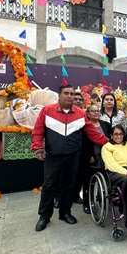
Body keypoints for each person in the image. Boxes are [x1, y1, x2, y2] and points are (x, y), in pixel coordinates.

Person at [31, 85, 108, 232]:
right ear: (59, 95)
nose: (69, 96)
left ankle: (65, 212)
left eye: (72, 94)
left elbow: (92, 133)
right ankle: (44, 216)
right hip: (53, 156)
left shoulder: (80, 113)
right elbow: (38, 130)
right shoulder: (47, 111)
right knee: (48, 186)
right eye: (66, 93)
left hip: (73, 157)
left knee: (70, 185)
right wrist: (38, 147)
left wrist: (109, 142)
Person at [77, 104, 111, 214]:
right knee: (88, 182)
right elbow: (80, 144)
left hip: (105, 157)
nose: (96, 113)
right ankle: (87, 203)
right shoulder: (84, 127)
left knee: (105, 180)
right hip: (91, 158)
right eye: (93, 111)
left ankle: (103, 200)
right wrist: (88, 156)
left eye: (98, 111)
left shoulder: (106, 125)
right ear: (87, 113)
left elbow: (110, 140)